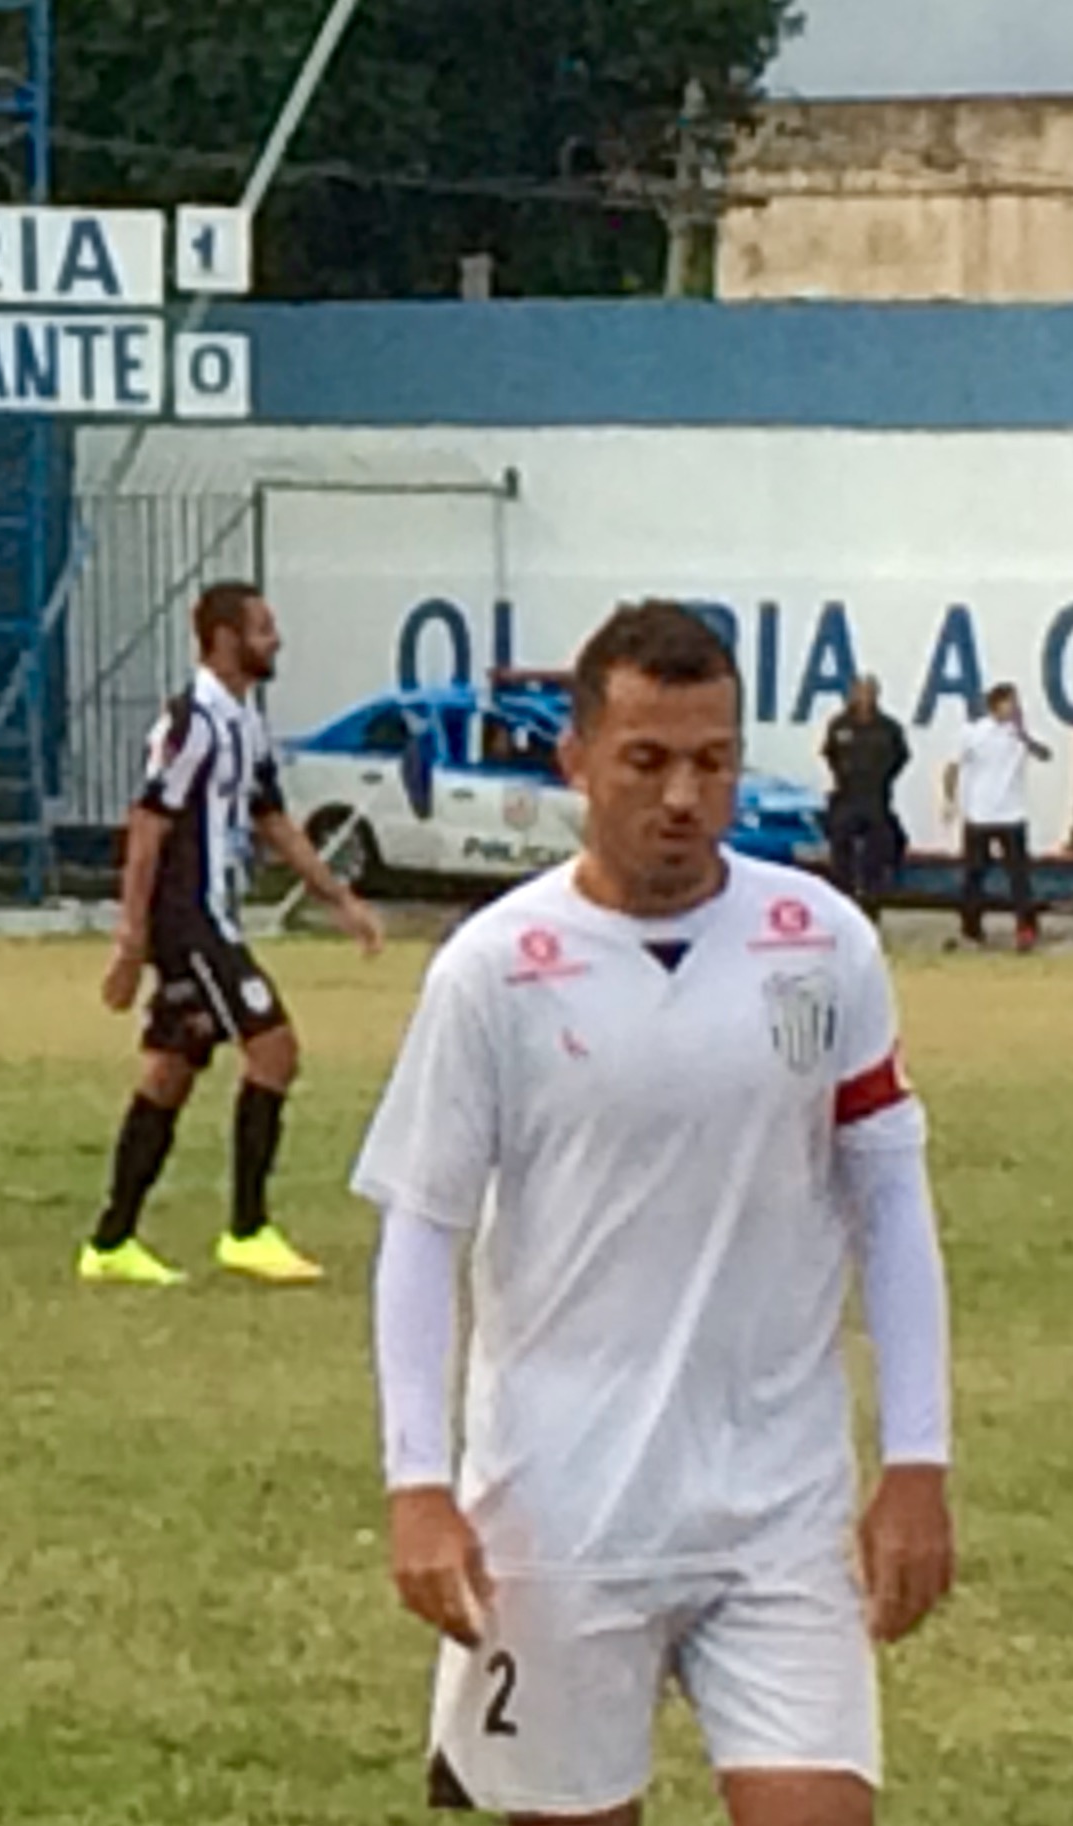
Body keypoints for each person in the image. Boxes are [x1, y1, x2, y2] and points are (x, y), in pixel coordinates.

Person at [356, 600, 954, 1826]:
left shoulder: (820, 943)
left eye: (713, 759)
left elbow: (890, 1197)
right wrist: (417, 1478)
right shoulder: (494, 965)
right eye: (646, 759)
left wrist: (917, 1462)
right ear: (575, 760)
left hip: (774, 1505)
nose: (682, 794)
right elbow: (422, 1227)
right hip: (559, 1510)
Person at [81, 583, 385, 1288]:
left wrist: (337, 896)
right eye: (262, 629)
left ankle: (109, 1240)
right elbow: (147, 828)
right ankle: (246, 1229)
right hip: (189, 923)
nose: (275, 641)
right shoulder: (192, 724)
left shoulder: (243, 723)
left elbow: (272, 818)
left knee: (169, 1071)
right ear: (223, 638)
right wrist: (130, 938)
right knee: (274, 1050)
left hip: (211, 916)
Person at [942, 681, 1049, 950]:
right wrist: (949, 800)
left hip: (1012, 815)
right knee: (974, 876)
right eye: (1008, 702)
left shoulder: (1020, 734)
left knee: (1019, 877)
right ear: (995, 706)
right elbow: (952, 767)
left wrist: (1023, 735)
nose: (1014, 707)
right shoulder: (974, 733)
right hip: (980, 815)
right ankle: (972, 929)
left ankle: (1026, 929)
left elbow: (1045, 754)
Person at [822, 676, 910, 919]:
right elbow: (830, 755)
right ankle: (840, 910)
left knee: (876, 858)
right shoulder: (839, 725)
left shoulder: (888, 727)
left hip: (876, 800)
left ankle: (872, 911)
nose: (862, 697)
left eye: (868, 692)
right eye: (858, 692)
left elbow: (900, 757)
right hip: (846, 798)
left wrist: (881, 777)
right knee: (841, 857)